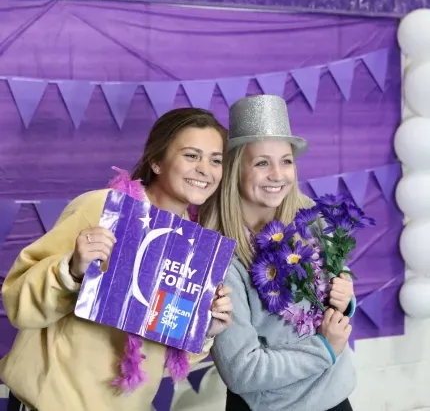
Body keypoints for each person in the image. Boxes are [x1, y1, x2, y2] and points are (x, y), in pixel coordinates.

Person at [1, 108, 233, 411]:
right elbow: (18, 305)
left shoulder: (194, 247)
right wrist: (71, 270)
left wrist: (204, 329)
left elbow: (165, 362)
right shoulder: (103, 209)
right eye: (191, 156)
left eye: (216, 160)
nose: (205, 169)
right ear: (157, 162)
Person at [201, 95, 356, 411]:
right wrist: (324, 348)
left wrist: (345, 297)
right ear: (234, 170)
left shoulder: (310, 219)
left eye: (286, 160)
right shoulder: (221, 258)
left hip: (335, 398)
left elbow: (335, 287)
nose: (278, 174)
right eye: (262, 162)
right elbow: (243, 371)